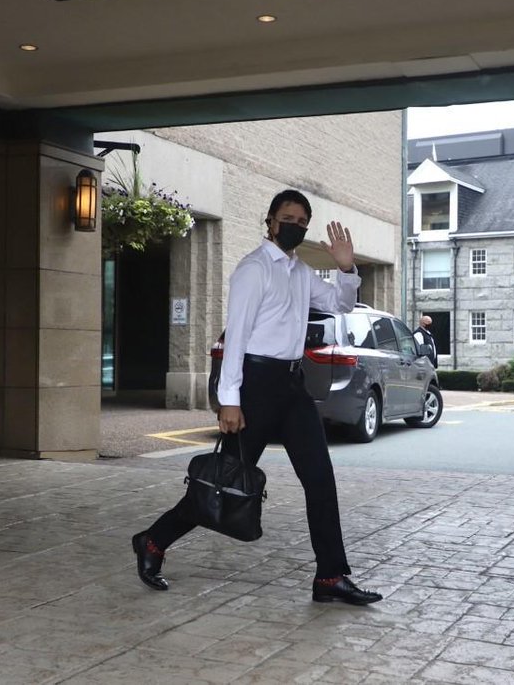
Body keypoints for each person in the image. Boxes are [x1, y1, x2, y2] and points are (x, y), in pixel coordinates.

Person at [133, 189, 382, 605]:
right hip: (255, 387)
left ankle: (330, 576)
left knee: (320, 478)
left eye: (303, 221)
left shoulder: (301, 272)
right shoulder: (253, 269)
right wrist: (229, 400)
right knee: (224, 481)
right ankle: (154, 541)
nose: (295, 226)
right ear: (269, 221)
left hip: (292, 385)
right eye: (288, 218)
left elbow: (342, 304)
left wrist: (345, 268)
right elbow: (237, 337)